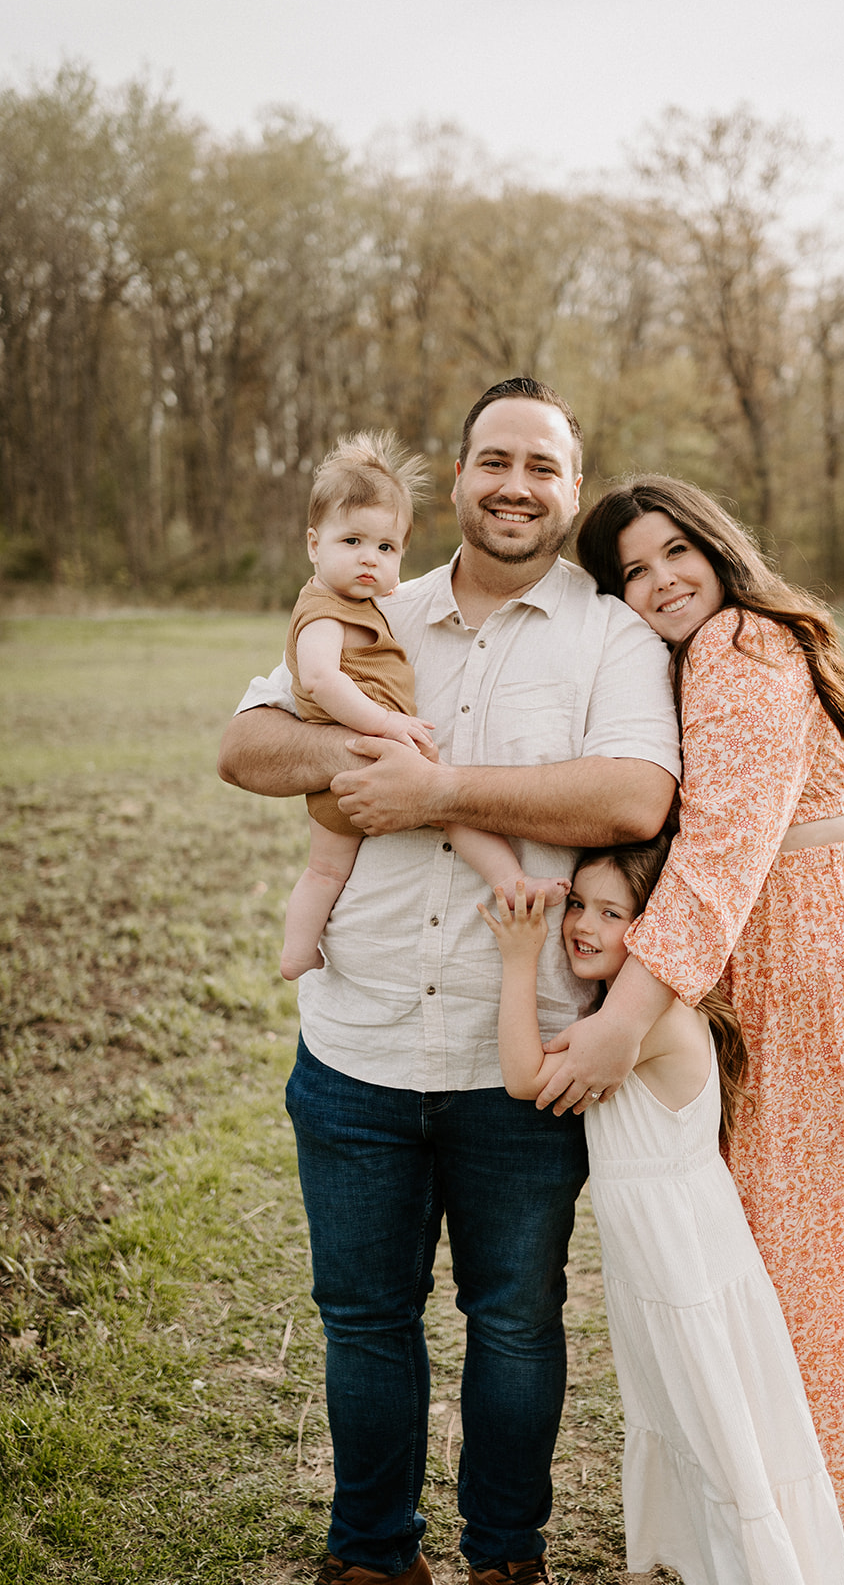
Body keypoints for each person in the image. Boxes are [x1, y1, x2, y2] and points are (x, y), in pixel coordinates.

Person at [216, 381, 680, 1585]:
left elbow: (632, 795)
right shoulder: (376, 597)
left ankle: (503, 1558)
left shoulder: (610, 635)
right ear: (460, 475)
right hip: (357, 1047)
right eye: (493, 459)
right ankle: (371, 1555)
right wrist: (353, 747)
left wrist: (437, 792)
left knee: (515, 1323)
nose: (515, 483)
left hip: (516, 1059)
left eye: (541, 465)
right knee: (363, 1319)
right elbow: (246, 745)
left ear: (571, 490)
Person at [537, 476, 844, 1585]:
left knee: (805, 1281)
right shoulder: (696, 657)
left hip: (816, 996)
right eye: (631, 571)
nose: (659, 580)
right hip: (786, 988)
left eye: (676, 553)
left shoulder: (740, 645)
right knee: (799, 1275)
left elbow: (718, 857)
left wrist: (624, 1017)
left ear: (716, 549)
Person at [478, 842, 844, 1585]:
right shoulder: (620, 1010)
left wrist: (519, 958)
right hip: (655, 1258)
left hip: (683, 1257)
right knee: (687, 1414)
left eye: (611, 913)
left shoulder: (643, 1022)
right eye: (578, 904)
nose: (581, 925)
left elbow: (525, 1077)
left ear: (654, 930)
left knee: (716, 1424)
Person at [280, 429, 569, 980]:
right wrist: (385, 723)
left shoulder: (368, 605)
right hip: (362, 759)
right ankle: (297, 950)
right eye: (352, 543)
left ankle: (511, 884)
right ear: (314, 545)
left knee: (422, 824)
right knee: (327, 868)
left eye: (386, 549)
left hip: (376, 762)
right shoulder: (321, 608)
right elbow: (319, 679)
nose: (370, 561)